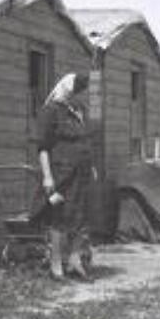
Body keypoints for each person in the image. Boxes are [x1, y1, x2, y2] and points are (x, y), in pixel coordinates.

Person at [32, 72, 95, 281]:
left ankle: (75, 262)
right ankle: (56, 265)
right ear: (70, 92)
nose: (83, 97)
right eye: (79, 93)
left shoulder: (79, 112)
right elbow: (43, 147)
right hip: (61, 173)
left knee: (81, 218)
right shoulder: (51, 111)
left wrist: (91, 165)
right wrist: (47, 177)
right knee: (59, 218)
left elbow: (84, 142)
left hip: (82, 174)